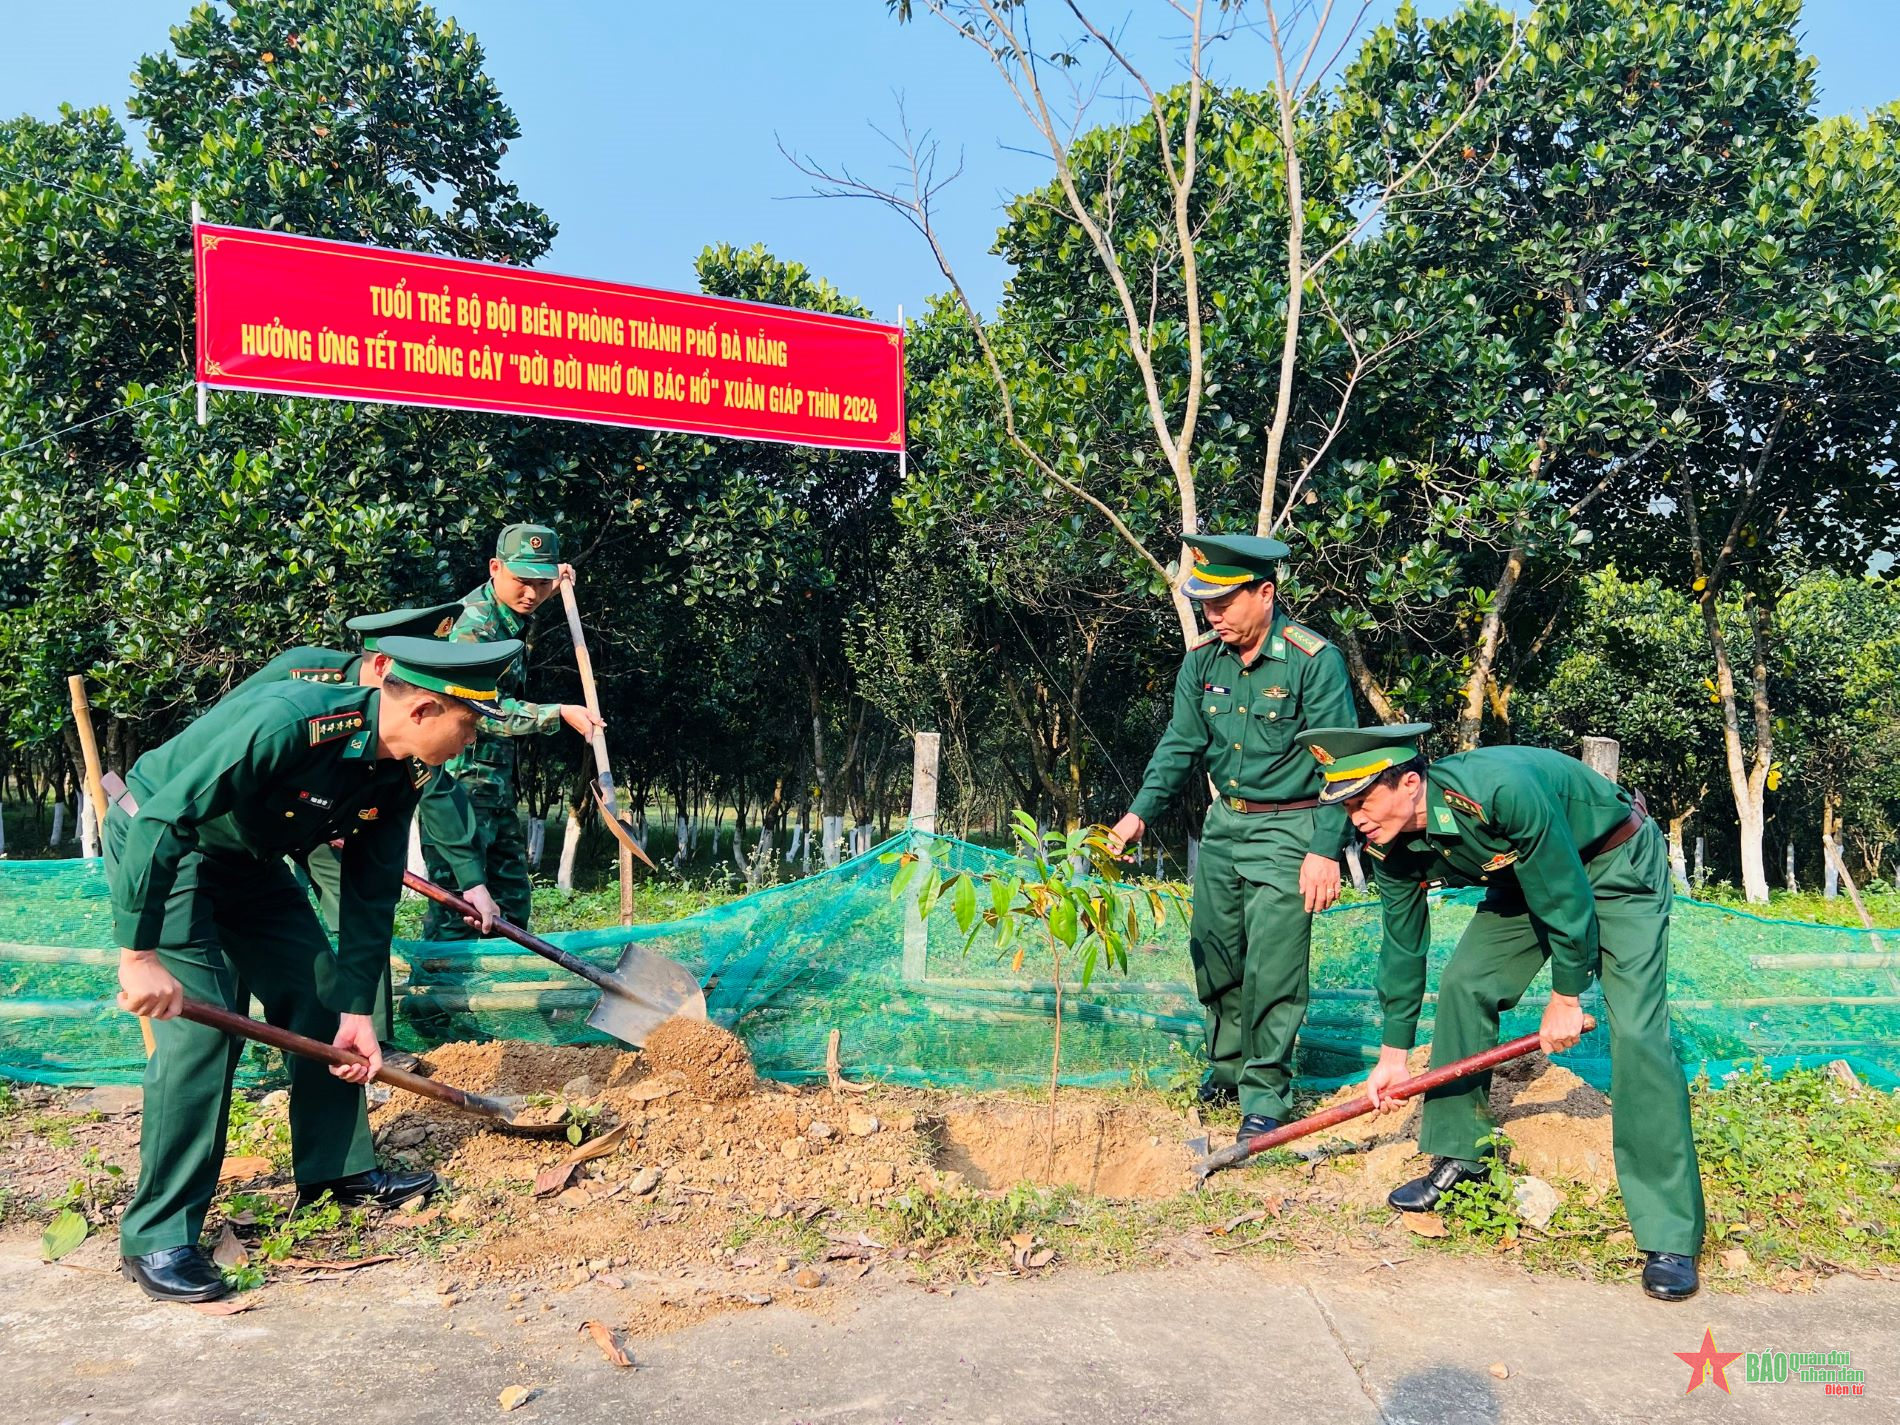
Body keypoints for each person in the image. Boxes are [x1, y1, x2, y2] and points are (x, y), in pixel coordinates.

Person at [108, 636, 522, 1304]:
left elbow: (371, 887)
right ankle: (157, 1233)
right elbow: (163, 817)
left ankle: (336, 1172)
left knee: (325, 1004)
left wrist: (359, 1010)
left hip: (247, 861)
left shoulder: (399, 770)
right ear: (420, 709)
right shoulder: (291, 720)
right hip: (166, 845)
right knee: (206, 1027)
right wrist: (139, 954)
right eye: (467, 723)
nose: (471, 740)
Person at [1299, 723, 1705, 1302]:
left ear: (1410, 783)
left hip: (1613, 866)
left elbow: (1565, 892)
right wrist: (1393, 1055)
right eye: (1345, 804)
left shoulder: (1497, 793)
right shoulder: (1389, 845)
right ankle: (1461, 1155)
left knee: (1638, 1030)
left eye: (1362, 799)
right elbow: (1403, 946)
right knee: (1466, 984)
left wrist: (1567, 996)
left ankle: (1670, 1233)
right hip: (1524, 879)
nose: (1355, 816)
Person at [1106, 533, 1358, 1144]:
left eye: (1223, 603)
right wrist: (1138, 815)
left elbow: (1343, 764)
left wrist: (1325, 849)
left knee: (1274, 963)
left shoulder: (1312, 659)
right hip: (1225, 826)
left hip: (1292, 828)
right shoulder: (1202, 663)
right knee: (1214, 951)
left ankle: (1265, 1090)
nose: (1212, 615)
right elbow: (1181, 744)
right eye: (1205, 604)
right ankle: (1226, 1069)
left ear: (1265, 594)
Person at [233, 603, 501, 1052]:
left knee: (362, 904)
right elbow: (232, 745)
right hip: (252, 824)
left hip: (340, 820)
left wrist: (470, 880)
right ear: (381, 665)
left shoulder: (413, 726)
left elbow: (434, 789)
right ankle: (234, 1025)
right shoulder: (303, 676)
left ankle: (367, 1034)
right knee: (237, 925)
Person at [420, 523, 602, 940]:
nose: (532, 594)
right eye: (522, 581)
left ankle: (499, 998)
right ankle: (432, 1004)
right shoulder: (474, 626)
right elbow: (478, 708)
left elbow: (529, 594)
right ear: (494, 567)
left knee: (512, 904)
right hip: (459, 789)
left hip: (494, 789)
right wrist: (558, 713)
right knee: (457, 908)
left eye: (541, 584)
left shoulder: (509, 615)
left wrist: (554, 588)